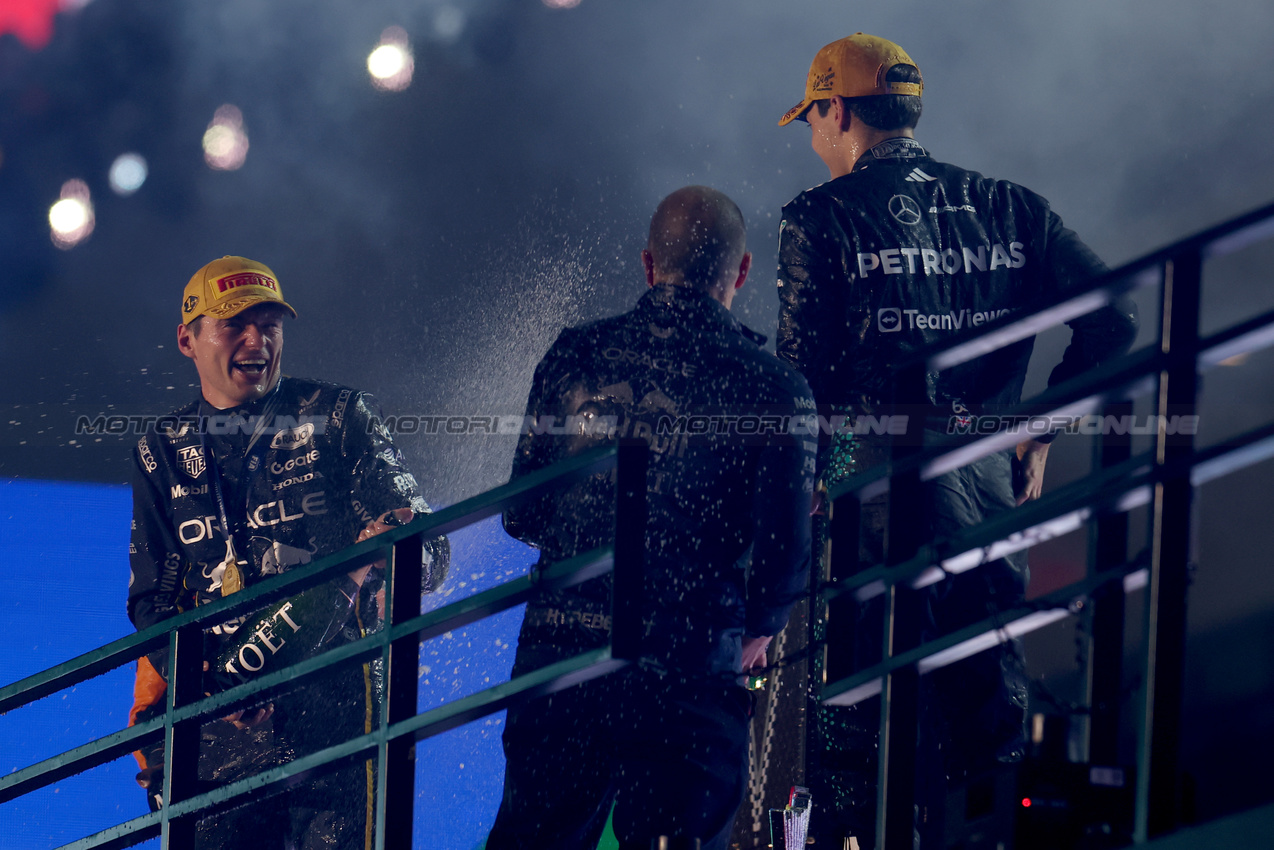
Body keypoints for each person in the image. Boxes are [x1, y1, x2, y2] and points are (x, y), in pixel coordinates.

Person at [775, 34, 1139, 848]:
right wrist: (1039, 427)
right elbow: (1116, 317)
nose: (810, 138)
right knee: (989, 743)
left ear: (837, 111)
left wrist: (800, 503)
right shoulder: (1010, 204)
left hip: (877, 521)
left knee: (853, 744)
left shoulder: (818, 217)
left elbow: (801, 391)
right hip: (987, 509)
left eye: (812, 118)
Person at [485, 186, 817, 850]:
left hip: (562, 656)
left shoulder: (575, 354)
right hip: (689, 667)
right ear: (742, 271)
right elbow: (784, 554)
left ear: (648, 263)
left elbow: (523, 512)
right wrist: (761, 624)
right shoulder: (774, 386)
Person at [126, 255, 449, 849]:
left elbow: (432, 556)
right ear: (187, 340)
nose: (257, 339)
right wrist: (206, 689)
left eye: (270, 323)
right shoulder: (162, 448)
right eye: (234, 324)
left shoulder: (339, 415)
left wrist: (394, 540)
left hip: (339, 719)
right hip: (217, 732)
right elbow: (153, 601)